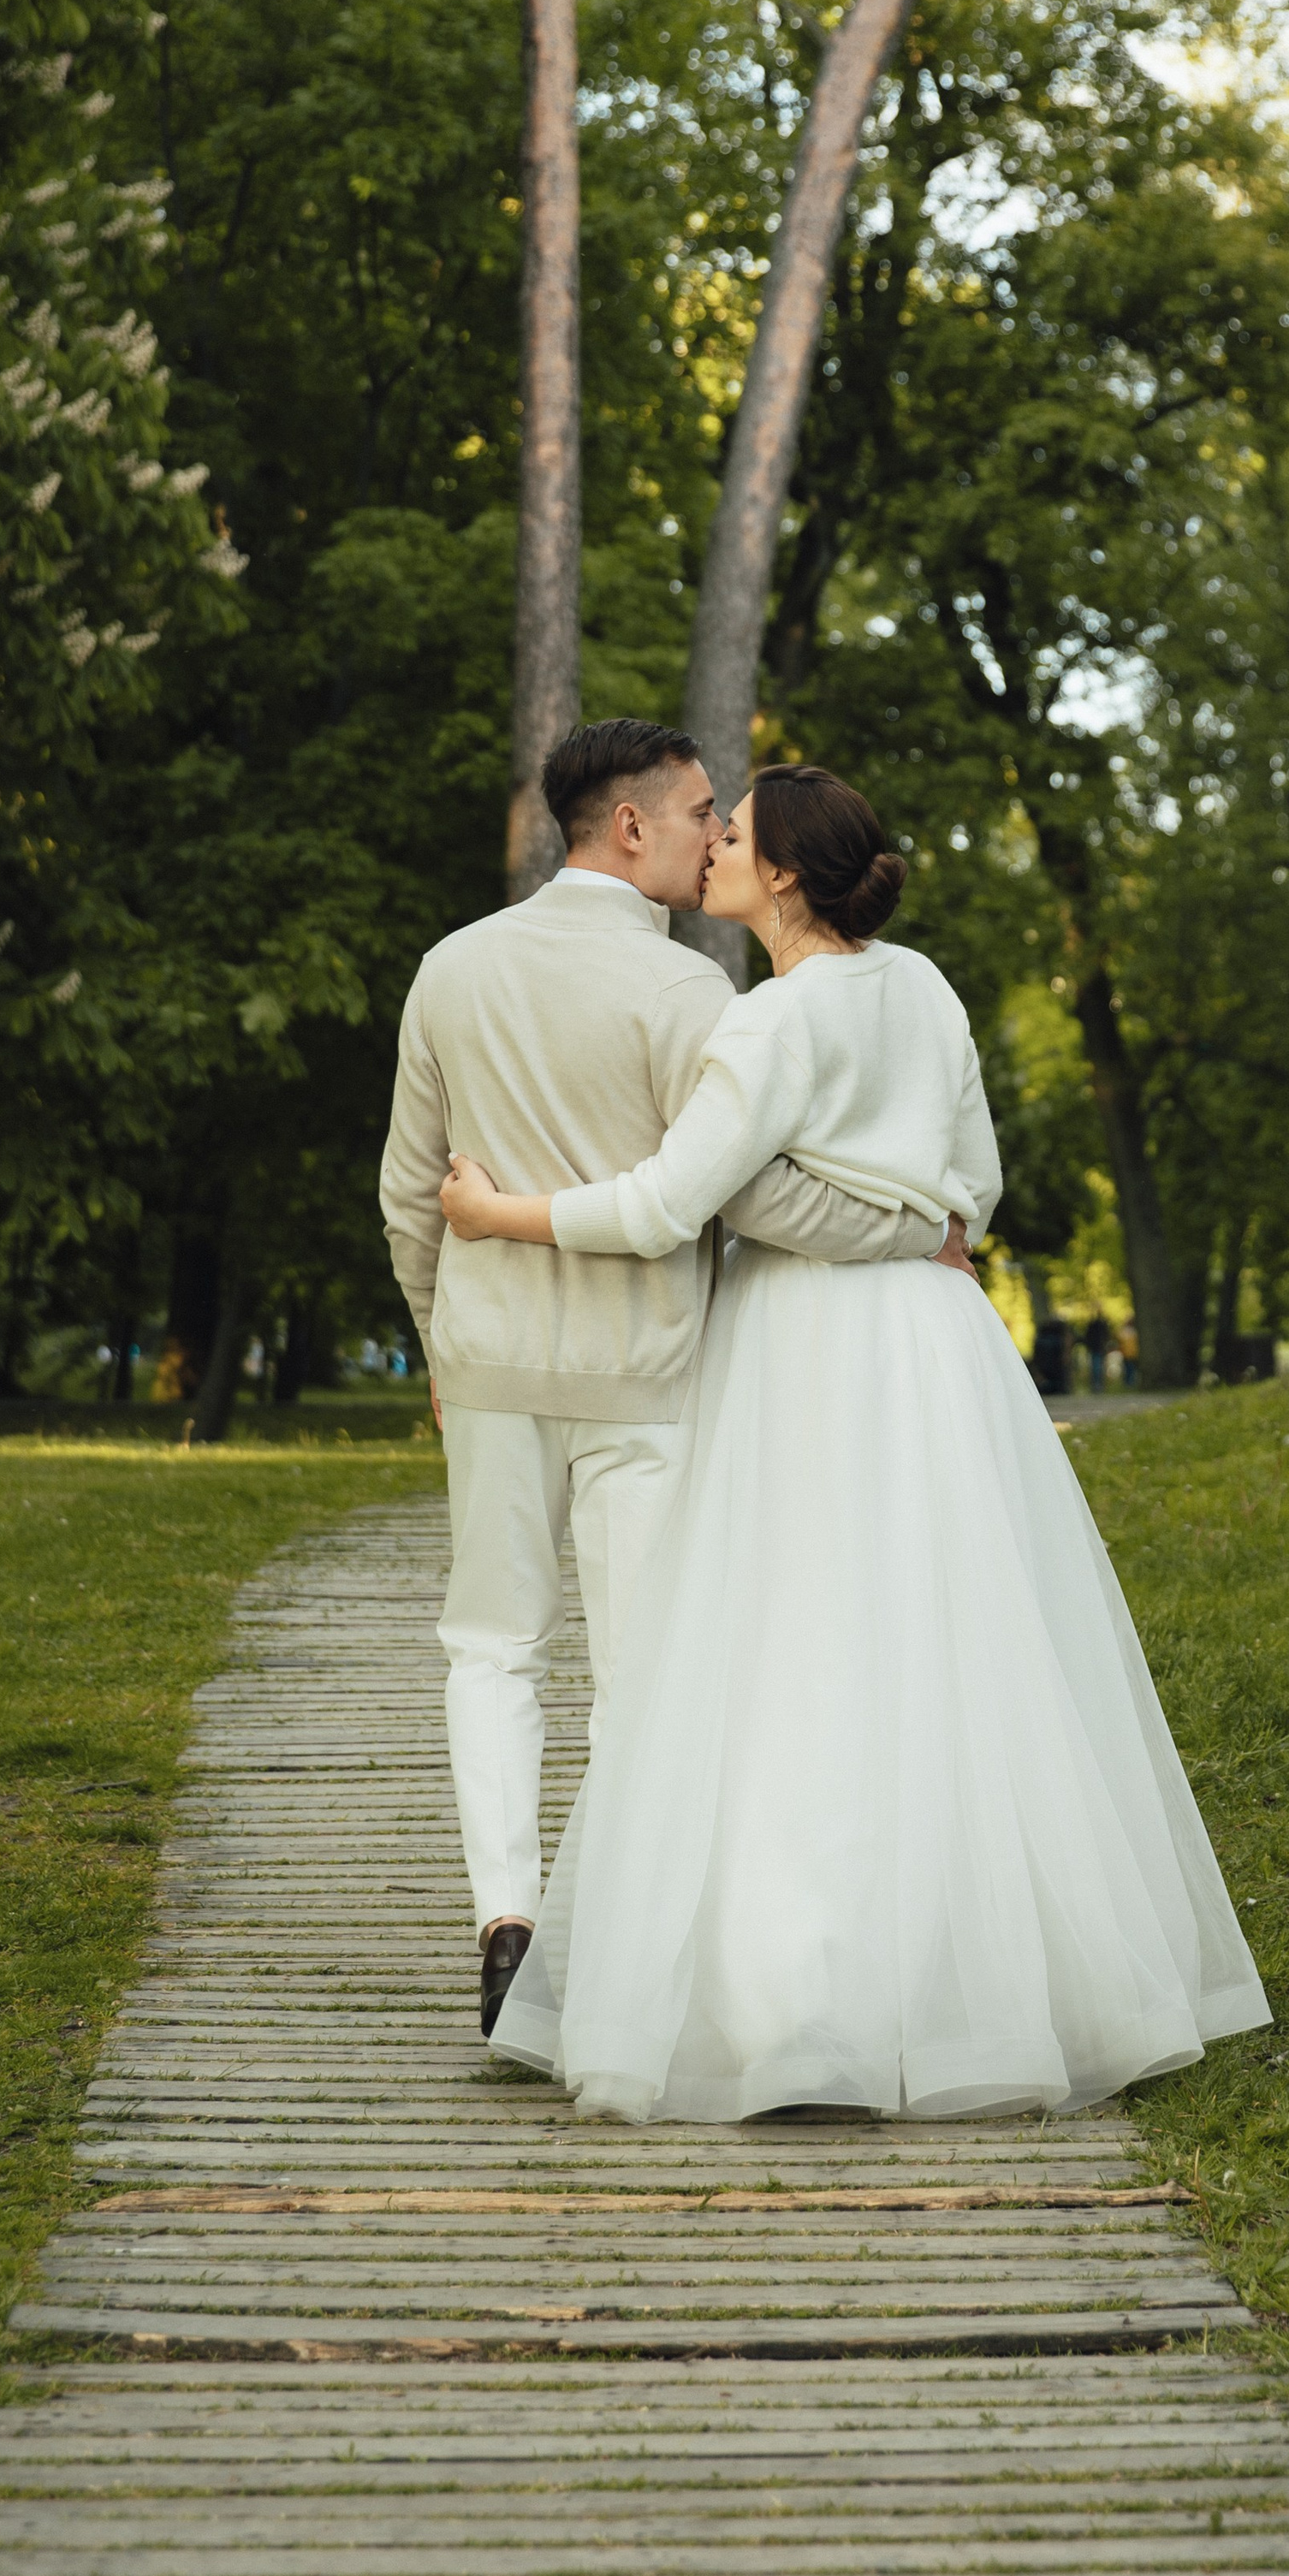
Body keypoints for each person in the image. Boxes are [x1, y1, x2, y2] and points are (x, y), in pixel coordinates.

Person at [439, 763, 1269, 2125]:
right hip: (939, 1354)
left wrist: (499, 1215)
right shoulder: (926, 988)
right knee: (951, 1653)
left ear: (778, 875)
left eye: (736, 834)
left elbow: (666, 1206)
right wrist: (906, 1222)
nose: (713, 849)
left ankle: (796, 1996)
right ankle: (978, 1981)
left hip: (806, 1355)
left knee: (797, 1648)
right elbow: (976, 1188)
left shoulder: (769, 1028)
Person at [379, 720, 965, 2039]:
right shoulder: (692, 997)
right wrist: (914, 1232)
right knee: (644, 1670)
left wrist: (438, 1340)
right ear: (630, 825)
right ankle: (620, 1949)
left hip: (489, 1363)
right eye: (703, 812)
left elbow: (410, 1189)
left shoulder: (451, 970)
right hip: (644, 1372)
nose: (717, 835)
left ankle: (506, 1915)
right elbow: (754, 1200)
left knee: (491, 1648)